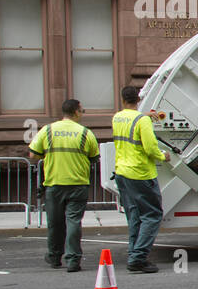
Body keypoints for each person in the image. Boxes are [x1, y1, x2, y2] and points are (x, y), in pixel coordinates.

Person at [28, 99, 99, 273]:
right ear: (76, 112)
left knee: (55, 223)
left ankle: (54, 257)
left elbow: (33, 155)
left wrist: (49, 156)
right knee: (73, 221)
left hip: (54, 184)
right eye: (82, 111)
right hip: (78, 184)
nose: (82, 114)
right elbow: (94, 157)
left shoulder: (47, 130)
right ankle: (73, 260)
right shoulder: (85, 133)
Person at [112, 86, 169, 273]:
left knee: (134, 215)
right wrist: (163, 156)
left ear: (122, 100)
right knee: (152, 215)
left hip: (122, 173)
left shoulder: (117, 117)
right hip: (140, 174)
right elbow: (151, 147)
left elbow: (130, 119)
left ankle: (133, 253)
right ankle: (138, 257)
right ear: (138, 99)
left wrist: (145, 116)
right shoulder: (142, 120)